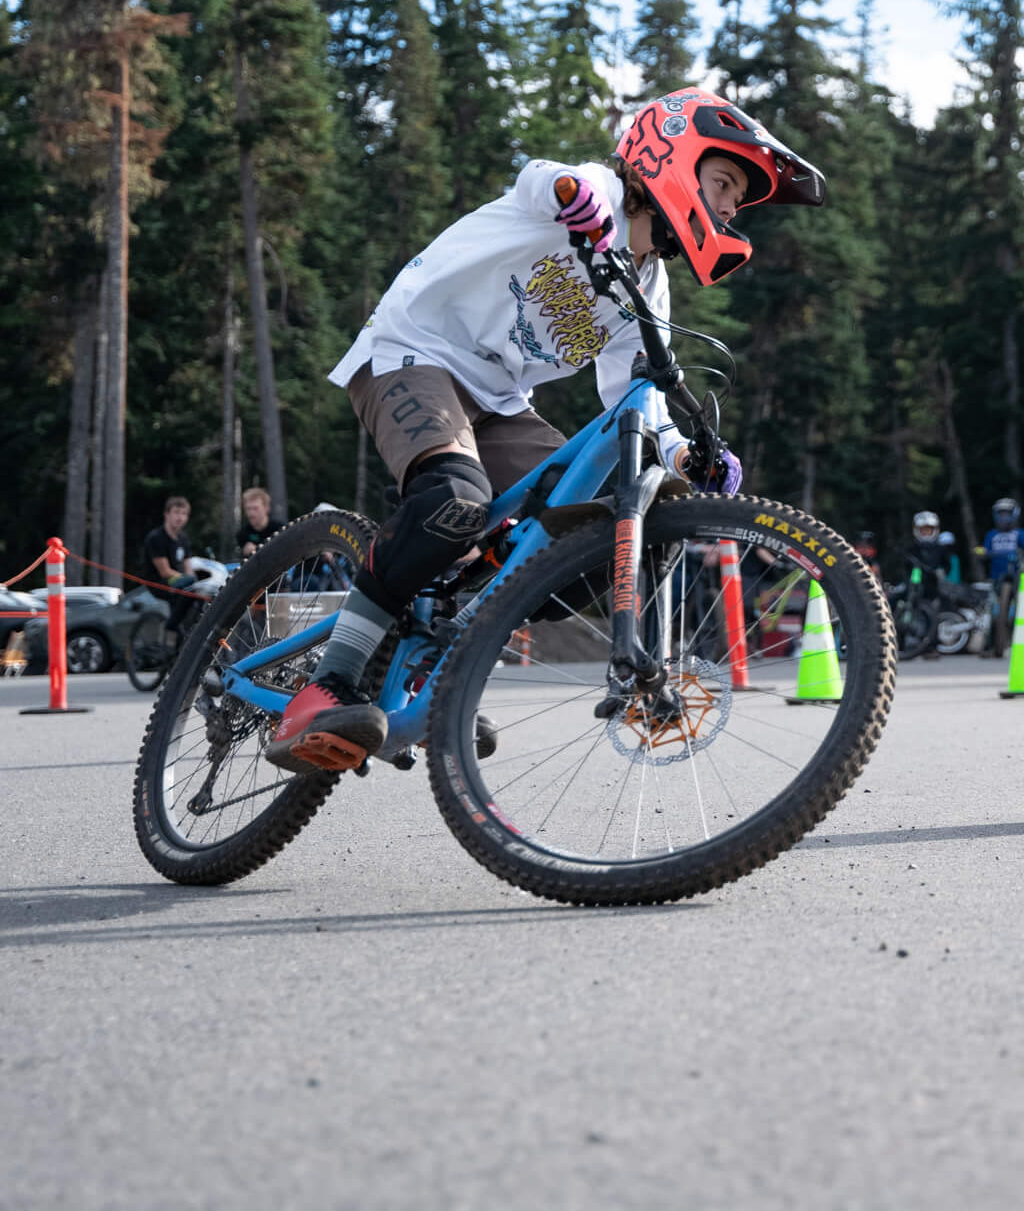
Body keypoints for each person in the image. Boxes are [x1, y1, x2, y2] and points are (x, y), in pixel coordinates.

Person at [265, 87, 817, 773]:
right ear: (673, 156)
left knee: (578, 546)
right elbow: (538, 183)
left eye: (739, 198)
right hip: (414, 351)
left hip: (499, 401)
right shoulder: (595, 191)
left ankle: (441, 666)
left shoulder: (649, 284)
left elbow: (634, 392)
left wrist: (685, 456)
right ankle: (327, 686)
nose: (733, 207)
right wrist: (568, 195)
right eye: (725, 182)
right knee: (454, 502)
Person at [980, 497, 1024, 658]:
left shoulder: (1021, 534)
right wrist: (982, 553)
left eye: (1007, 514)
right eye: (1001, 514)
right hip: (997, 578)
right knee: (993, 612)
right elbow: (984, 552)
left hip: (1018, 577)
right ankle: (991, 645)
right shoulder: (991, 535)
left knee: (1023, 609)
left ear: (1014, 515)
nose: (1004, 517)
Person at [141, 496, 197, 629]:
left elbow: (188, 566)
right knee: (188, 585)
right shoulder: (156, 538)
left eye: (183, 514)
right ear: (167, 514)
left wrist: (195, 581)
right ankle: (171, 628)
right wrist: (188, 579)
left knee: (199, 588)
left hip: (178, 580)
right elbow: (165, 572)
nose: (180, 517)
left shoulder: (184, 539)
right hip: (159, 582)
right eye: (176, 512)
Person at [231, 485, 286, 561]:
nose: (251, 513)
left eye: (255, 508)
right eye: (248, 509)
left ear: (266, 508)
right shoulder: (243, 533)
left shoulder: (281, 529)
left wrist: (258, 550)